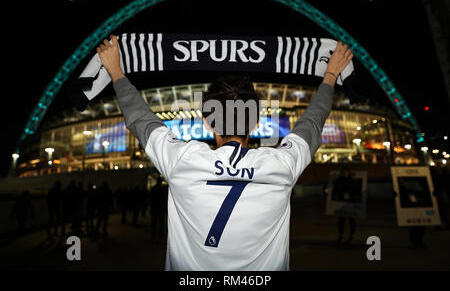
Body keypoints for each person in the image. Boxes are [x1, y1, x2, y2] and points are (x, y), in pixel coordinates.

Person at [97, 35, 353, 270]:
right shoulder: (281, 165)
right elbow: (312, 121)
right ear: (254, 123)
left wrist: (115, 70)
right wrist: (330, 74)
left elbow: (140, 118)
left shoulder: (183, 160)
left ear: (207, 122)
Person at [332, 167, 357, 242]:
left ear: (348, 173)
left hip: (350, 203)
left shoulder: (351, 181)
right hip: (341, 202)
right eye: (343, 172)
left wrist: (350, 195)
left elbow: (355, 190)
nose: (345, 173)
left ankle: (351, 235)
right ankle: (341, 235)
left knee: (351, 219)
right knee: (341, 220)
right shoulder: (339, 180)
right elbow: (335, 189)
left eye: (346, 172)